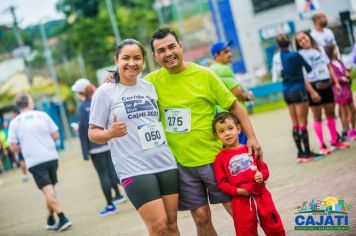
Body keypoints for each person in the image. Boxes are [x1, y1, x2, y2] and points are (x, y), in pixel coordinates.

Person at [145, 27, 262, 236]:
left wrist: (251, 137)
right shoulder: (151, 82)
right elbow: (126, 90)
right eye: (161, 50)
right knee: (201, 217)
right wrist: (113, 80)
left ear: (181, 46)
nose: (168, 53)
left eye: (172, 47)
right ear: (154, 56)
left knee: (237, 211)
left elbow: (235, 106)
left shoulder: (204, 75)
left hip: (216, 159)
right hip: (182, 164)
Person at [88, 39, 180, 236]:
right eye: (126, 58)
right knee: (159, 226)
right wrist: (110, 133)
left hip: (165, 163)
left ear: (144, 61)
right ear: (116, 60)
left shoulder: (149, 86)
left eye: (137, 58)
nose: (132, 63)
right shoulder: (105, 92)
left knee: (172, 224)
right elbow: (92, 133)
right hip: (134, 168)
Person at [213, 112, 285, 236]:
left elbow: (264, 169)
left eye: (230, 128)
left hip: (262, 195)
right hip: (241, 201)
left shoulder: (250, 149)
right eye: (221, 131)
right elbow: (222, 183)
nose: (227, 133)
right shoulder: (220, 159)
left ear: (239, 129)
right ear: (216, 135)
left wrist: (262, 176)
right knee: (245, 231)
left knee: (274, 227)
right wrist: (237, 191)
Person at [7, 94, 72, 232]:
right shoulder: (43, 115)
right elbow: (56, 135)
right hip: (51, 157)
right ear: (30, 103)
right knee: (49, 190)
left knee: (48, 190)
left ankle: (63, 218)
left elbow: (12, 146)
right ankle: (50, 218)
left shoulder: (15, 122)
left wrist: (25, 147)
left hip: (34, 160)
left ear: (18, 106)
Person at [72, 78, 127, 217]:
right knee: (113, 172)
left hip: (95, 146)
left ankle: (110, 205)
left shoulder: (81, 108)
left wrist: (85, 152)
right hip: (108, 142)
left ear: (80, 92)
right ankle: (126, 192)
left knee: (103, 175)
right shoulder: (101, 100)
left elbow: (85, 130)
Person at [295, 31, 350, 154]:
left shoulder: (319, 49)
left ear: (308, 37)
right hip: (313, 86)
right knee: (317, 116)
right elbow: (302, 76)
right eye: (300, 40)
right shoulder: (299, 55)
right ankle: (322, 145)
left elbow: (328, 66)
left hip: (327, 83)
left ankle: (335, 141)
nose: (303, 41)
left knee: (330, 113)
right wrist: (312, 92)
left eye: (304, 37)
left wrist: (336, 82)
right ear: (298, 44)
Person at [272, 34, 324, 162]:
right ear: (290, 43)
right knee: (302, 123)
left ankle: (300, 153)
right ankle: (307, 153)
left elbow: (278, 73)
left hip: (286, 91)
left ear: (278, 45)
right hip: (299, 89)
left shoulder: (277, 57)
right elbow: (309, 68)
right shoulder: (295, 55)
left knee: (294, 123)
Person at [210, 40, 254, 145]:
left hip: (221, 116)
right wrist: (247, 98)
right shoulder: (224, 69)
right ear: (216, 55)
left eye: (229, 51)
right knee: (241, 147)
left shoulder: (212, 69)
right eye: (225, 52)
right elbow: (236, 92)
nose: (229, 54)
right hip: (233, 116)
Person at [324, 44, 356, 140]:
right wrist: (341, 78)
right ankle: (347, 130)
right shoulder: (329, 64)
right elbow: (332, 78)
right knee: (344, 112)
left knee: (353, 110)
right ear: (331, 51)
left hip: (347, 89)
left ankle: (353, 129)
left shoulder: (339, 61)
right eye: (335, 49)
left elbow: (344, 71)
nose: (337, 50)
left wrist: (347, 71)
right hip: (339, 91)